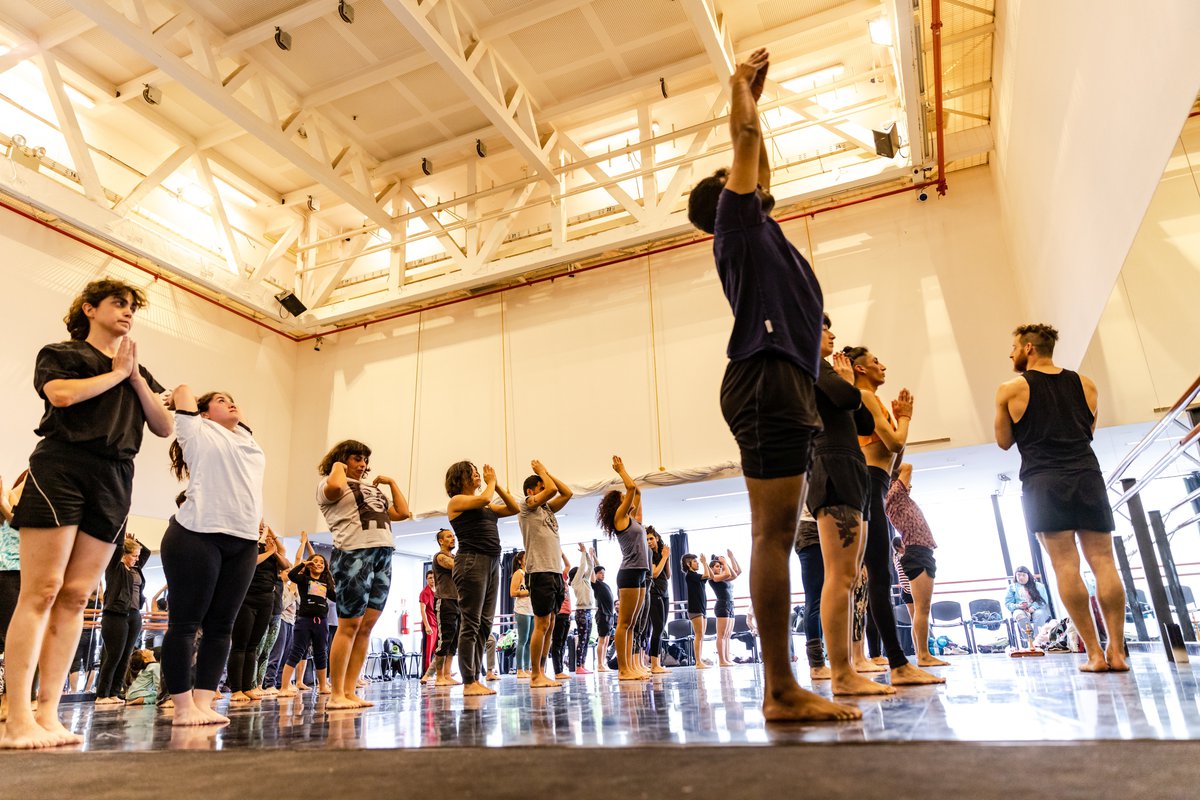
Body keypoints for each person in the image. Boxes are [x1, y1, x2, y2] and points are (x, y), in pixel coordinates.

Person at [686, 48, 858, 721]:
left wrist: (755, 105)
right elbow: (748, 141)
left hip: (781, 379)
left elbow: (758, 156)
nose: (756, 174)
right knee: (772, 536)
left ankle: (783, 687)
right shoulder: (735, 223)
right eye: (741, 176)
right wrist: (740, 92)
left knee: (778, 533)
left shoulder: (762, 230)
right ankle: (780, 689)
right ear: (729, 193)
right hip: (765, 378)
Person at [2, 279, 174, 748]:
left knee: (77, 596)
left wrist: (134, 377)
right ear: (90, 309)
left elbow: (164, 425)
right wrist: (117, 374)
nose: (128, 312)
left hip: (115, 476)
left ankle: (48, 714)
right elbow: (60, 396)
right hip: (63, 465)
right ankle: (17, 715)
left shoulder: (136, 371)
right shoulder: (63, 353)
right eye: (119, 303)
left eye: (133, 306)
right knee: (42, 590)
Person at [996, 323, 1127, 671]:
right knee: (1104, 562)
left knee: (1065, 566)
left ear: (1028, 348)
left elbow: (1004, 441)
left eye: (1013, 347)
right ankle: (1117, 652)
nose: (1011, 354)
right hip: (1087, 475)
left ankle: (1094, 654)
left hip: (1043, 481)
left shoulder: (1011, 389)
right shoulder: (1087, 384)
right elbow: (1088, 432)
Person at [160, 385, 267, 725]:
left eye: (233, 400)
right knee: (185, 624)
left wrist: (229, 408)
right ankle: (182, 707)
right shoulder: (196, 430)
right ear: (203, 413)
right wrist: (178, 398)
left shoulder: (246, 439)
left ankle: (203, 703)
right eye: (222, 400)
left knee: (222, 626)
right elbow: (183, 392)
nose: (232, 403)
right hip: (197, 535)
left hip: (244, 541)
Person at [842, 344, 944, 689]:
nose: (882, 366)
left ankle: (897, 662)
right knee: (879, 578)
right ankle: (897, 663)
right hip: (870, 484)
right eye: (875, 362)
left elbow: (896, 458)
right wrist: (905, 418)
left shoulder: (875, 402)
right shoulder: (865, 397)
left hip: (880, 483)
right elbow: (896, 443)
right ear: (859, 369)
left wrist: (899, 425)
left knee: (881, 576)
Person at [317, 440, 412, 708]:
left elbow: (402, 512)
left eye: (365, 460)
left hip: (383, 554)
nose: (363, 464)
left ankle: (350, 691)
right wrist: (338, 465)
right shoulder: (329, 484)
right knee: (349, 625)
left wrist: (392, 483)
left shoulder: (372, 489)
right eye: (356, 458)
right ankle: (336, 694)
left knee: (366, 627)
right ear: (342, 459)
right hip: (353, 554)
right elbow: (335, 487)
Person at [446, 461, 520, 696]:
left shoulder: (486, 503)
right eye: (473, 472)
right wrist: (491, 483)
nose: (478, 475)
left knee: (485, 624)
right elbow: (484, 498)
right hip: (471, 561)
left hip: (492, 562)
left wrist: (495, 485)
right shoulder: (457, 501)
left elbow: (514, 508)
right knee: (471, 623)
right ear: (460, 478)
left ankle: (475, 678)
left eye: (478, 473)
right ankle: (469, 681)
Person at [885, 463, 948, 667]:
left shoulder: (900, 498)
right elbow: (908, 467)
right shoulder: (895, 495)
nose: (909, 485)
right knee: (923, 608)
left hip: (920, 552)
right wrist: (891, 463)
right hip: (917, 552)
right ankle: (923, 655)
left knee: (921, 609)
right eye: (905, 483)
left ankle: (922, 654)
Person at [518, 459, 573, 688]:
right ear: (531, 491)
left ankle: (542, 671)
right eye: (541, 486)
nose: (546, 488)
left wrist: (547, 473)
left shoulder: (547, 509)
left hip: (555, 572)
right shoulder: (527, 505)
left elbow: (567, 492)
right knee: (541, 624)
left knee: (550, 624)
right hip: (539, 571)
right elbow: (551, 490)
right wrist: (541, 472)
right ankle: (534, 675)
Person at [596, 456, 650, 681]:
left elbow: (636, 491)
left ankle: (631, 667)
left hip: (641, 572)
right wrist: (621, 470)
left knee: (633, 623)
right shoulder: (620, 518)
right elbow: (631, 488)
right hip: (629, 573)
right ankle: (624, 669)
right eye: (623, 499)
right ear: (618, 504)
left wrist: (634, 490)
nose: (628, 500)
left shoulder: (634, 520)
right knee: (624, 623)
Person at [227, 526, 289, 703]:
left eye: (264, 526)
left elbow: (286, 565)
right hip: (246, 598)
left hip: (266, 599)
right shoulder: (246, 544)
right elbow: (251, 561)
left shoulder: (270, 549)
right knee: (240, 645)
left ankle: (247, 687)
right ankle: (236, 689)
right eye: (259, 526)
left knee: (253, 646)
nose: (262, 528)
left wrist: (273, 545)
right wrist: (268, 551)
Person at [95, 534, 151, 705]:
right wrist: (122, 540)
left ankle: (114, 693)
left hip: (134, 615)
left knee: (126, 656)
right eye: (134, 555)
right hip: (115, 615)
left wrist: (136, 542)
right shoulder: (114, 568)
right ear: (124, 554)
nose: (137, 559)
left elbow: (147, 552)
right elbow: (116, 550)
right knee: (114, 656)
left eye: (137, 556)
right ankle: (102, 695)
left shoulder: (136, 569)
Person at [279, 544, 335, 697]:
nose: (318, 564)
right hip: (304, 621)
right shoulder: (304, 579)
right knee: (296, 652)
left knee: (321, 653)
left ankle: (323, 686)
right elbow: (292, 575)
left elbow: (335, 597)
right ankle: (284, 687)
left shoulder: (326, 583)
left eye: (321, 562)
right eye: (315, 561)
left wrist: (330, 574)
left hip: (322, 622)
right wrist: (304, 564)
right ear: (310, 564)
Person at [793, 507, 829, 681]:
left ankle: (821, 662)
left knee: (821, 601)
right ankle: (816, 664)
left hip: (816, 532)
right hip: (811, 534)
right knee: (815, 600)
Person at [427, 528, 460, 686]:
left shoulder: (454, 557)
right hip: (445, 600)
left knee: (454, 640)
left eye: (453, 536)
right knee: (445, 639)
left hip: (457, 601)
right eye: (449, 536)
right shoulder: (440, 557)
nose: (453, 539)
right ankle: (439, 676)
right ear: (441, 541)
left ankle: (447, 674)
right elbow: (457, 566)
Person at [709, 552, 742, 667]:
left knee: (727, 635)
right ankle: (722, 660)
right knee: (721, 635)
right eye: (717, 566)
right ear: (711, 568)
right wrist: (724, 563)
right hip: (722, 605)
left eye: (720, 566)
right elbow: (728, 573)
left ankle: (727, 658)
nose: (720, 568)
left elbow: (736, 573)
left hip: (730, 605)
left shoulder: (724, 577)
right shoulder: (713, 577)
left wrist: (731, 558)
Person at [645, 527, 671, 674]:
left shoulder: (661, 553)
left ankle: (657, 663)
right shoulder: (649, 555)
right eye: (647, 539)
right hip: (654, 593)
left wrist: (666, 557)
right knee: (658, 628)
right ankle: (654, 664)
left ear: (657, 539)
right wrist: (664, 557)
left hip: (665, 593)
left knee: (661, 629)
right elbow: (654, 573)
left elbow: (668, 575)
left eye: (651, 538)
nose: (649, 541)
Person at [1005, 566, 1051, 647]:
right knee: (1019, 615)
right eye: (1018, 575)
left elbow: (1043, 601)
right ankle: (1031, 642)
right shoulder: (1012, 587)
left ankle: (1038, 640)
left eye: (1023, 575)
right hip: (1020, 609)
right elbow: (1008, 604)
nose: (1021, 577)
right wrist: (1018, 605)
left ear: (1028, 576)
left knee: (1039, 614)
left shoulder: (1039, 586)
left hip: (1037, 608)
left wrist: (1033, 607)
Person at [569, 544, 595, 675]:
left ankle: (583, 665)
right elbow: (583, 566)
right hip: (581, 612)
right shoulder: (576, 582)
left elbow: (590, 567)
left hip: (589, 611)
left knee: (586, 640)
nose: (583, 573)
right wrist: (583, 553)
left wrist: (590, 556)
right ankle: (578, 666)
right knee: (582, 639)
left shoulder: (585, 580)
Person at [683, 553, 712, 668]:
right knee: (699, 635)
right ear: (688, 564)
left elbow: (709, 576)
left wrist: (705, 563)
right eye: (695, 561)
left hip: (702, 608)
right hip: (695, 609)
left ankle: (700, 661)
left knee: (701, 636)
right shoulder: (690, 575)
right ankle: (698, 662)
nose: (697, 563)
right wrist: (704, 562)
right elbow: (706, 575)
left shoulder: (696, 575)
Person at [510, 551, 533, 680]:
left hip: (532, 609)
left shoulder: (530, 573)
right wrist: (529, 592)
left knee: (530, 641)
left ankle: (527, 668)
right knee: (522, 640)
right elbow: (513, 592)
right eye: (526, 557)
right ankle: (519, 669)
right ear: (520, 561)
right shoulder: (518, 573)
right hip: (522, 609)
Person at [550, 555, 573, 680]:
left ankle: (560, 670)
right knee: (557, 643)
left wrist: (562, 554)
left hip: (566, 614)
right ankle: (557, 671)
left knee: (563, 643)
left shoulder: (562, 577)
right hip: (559, 614)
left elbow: (568, 565)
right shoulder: (554, 579)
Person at [591, 563, 614, 673]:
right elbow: (592, 570)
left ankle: (603, 663)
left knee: (606, 641)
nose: (603, 575)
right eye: (600, 573)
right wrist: (591, 558)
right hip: (603, 614)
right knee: (602, 640)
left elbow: (598, 565)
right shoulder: (596, 584)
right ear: (595, 575)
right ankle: (599, 664)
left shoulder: (604, 584)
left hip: (610, 615)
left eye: (603, 573)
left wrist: (595, 558)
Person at [419, 570, 437, 680]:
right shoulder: (424, 592)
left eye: (434, 577)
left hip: (436, 624)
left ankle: (439, 672)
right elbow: (422, 610)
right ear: (426, 579)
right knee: (428, 651)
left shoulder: (437, 591)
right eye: (430, 578)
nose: (432, 580)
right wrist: (427, 626)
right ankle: (426, 674)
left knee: (438, 651)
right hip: (429, 625)